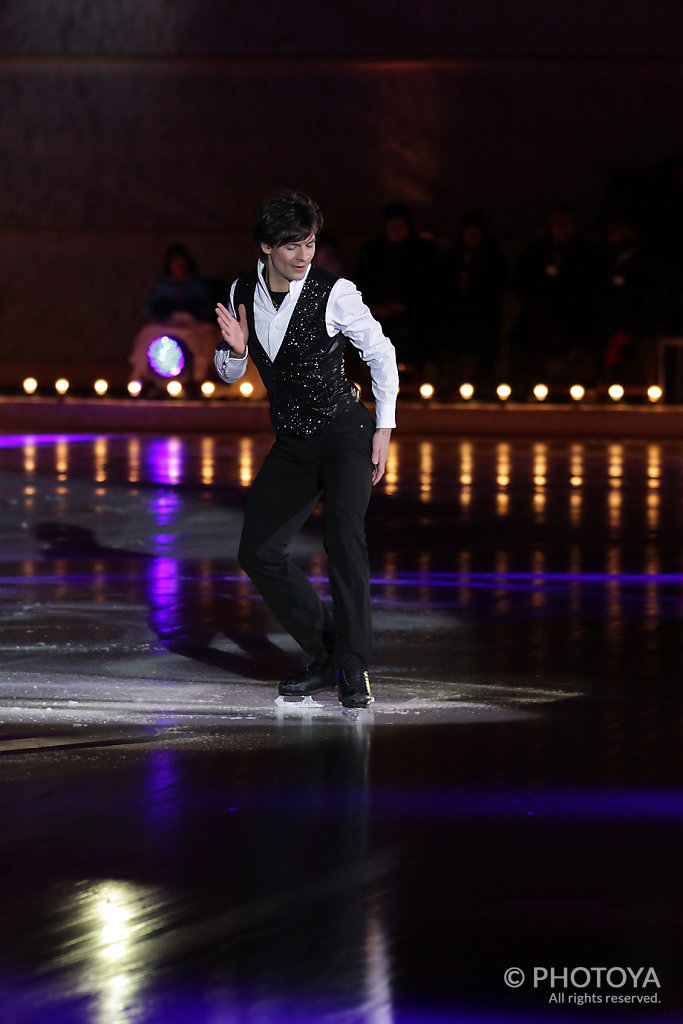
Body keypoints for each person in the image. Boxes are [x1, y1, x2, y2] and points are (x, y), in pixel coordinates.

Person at [214, 191, 399, 708]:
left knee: (344, 538)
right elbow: (229, 371)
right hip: (294, 443)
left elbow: (381, 355)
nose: (304, 255)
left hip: (345, 435)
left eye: (310, 243)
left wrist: (382, 430)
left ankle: (354, 668)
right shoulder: (241, 291)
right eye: (293, 245)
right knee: (258, 551)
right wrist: (234, 351)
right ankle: (328, 653)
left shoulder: (335, 292)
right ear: (266, 247)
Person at [354, 202, 440, 369]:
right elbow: (360, 283)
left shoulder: (424, 252)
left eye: (399, 226)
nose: (395, 231)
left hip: (413, 314)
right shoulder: (372, 251)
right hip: (375, 312)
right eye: (391, 226)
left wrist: (403, 305)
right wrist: (374, 306)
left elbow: (428, 287)